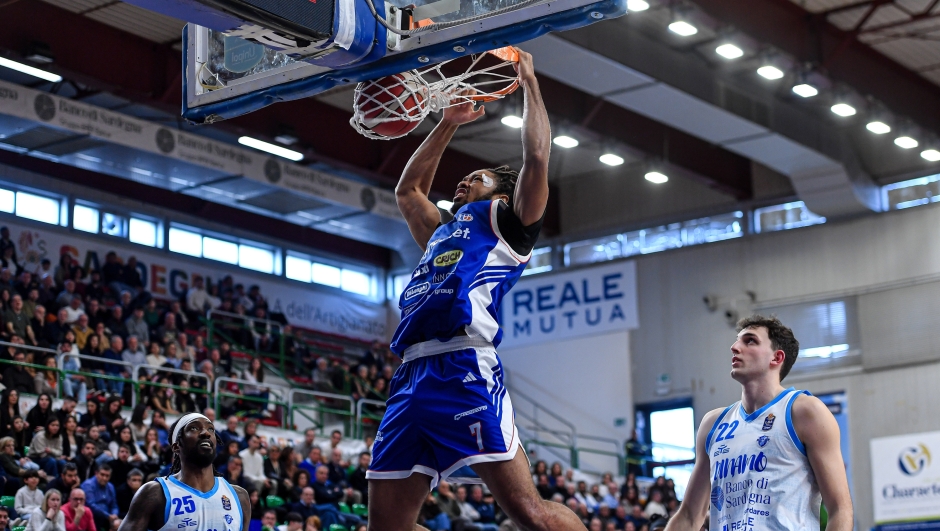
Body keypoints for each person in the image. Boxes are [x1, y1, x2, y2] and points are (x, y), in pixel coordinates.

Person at [367, 50, 571, 531]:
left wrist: (530, 83)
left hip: (464, 367)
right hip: (411, 373)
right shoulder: (442, 229)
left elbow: (537, 156)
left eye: (474, 177)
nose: (462, 180)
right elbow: (407, 190)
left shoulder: (508, 222)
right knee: (386, 526)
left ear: (501, 193)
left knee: (528, 513)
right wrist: (448, 122)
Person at [664, 316, 853, 531]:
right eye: (737, 341)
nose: (735, 347)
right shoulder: (713, 424)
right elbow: (689, 516)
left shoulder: (805, 412)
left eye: (750, 341)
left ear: (776, 357)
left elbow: (840, 510)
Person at [117, 413, 249, 531]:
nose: (206, 433)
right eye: (194, 428)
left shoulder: (239, 496)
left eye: (211, 429)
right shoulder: (154, 493)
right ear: (176, 446)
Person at [81, 465, 118, 531]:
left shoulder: (110, 486)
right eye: (102, 475)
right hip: (94, 517)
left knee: (118, 523)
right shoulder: (88, 485)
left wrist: (114, 514)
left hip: (108, 518)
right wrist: (107, 516)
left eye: (107, 476)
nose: (104, 478)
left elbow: (114, 505)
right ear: (96, 473)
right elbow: (91, 505)